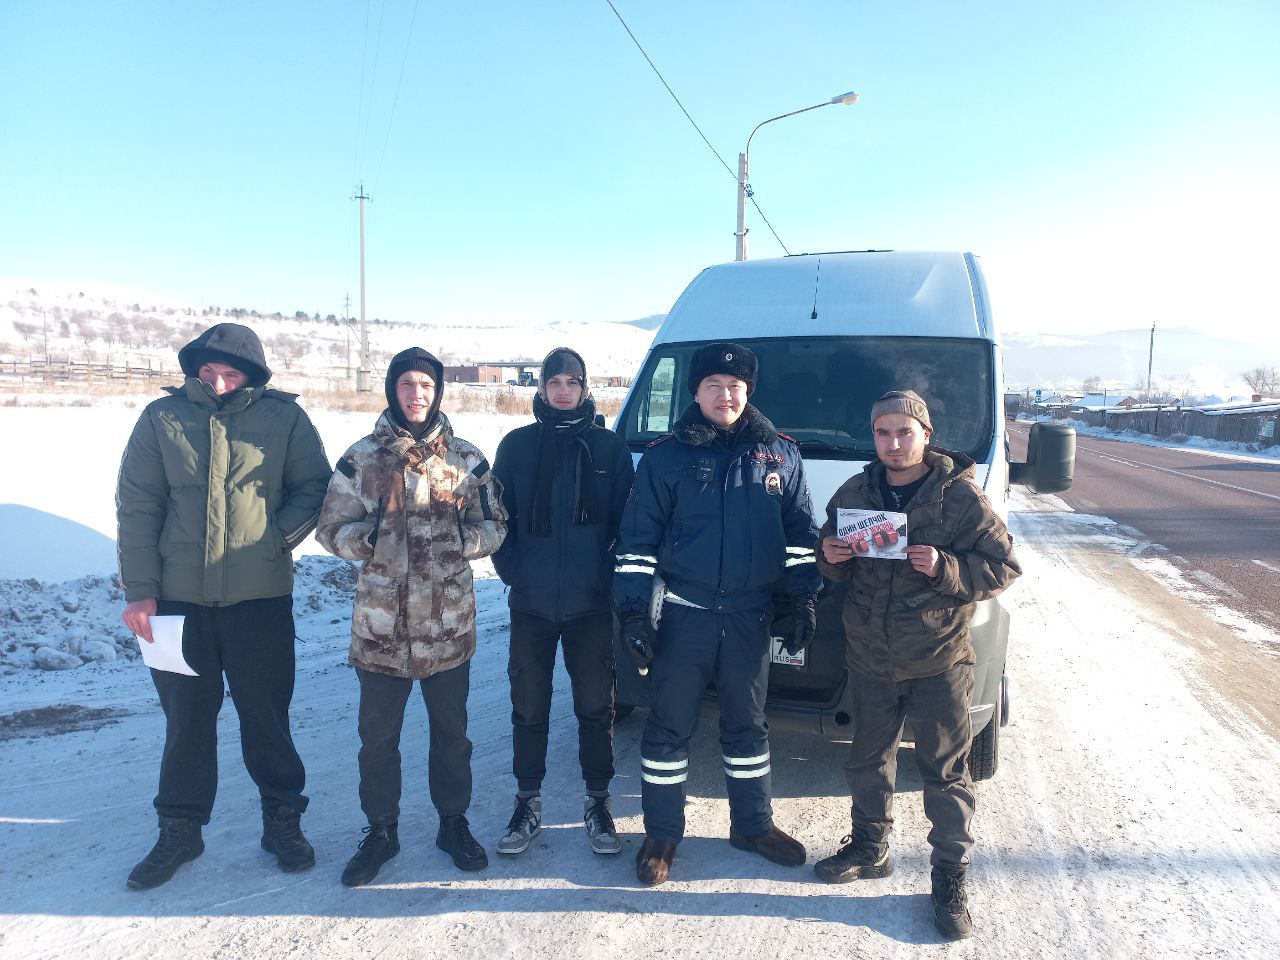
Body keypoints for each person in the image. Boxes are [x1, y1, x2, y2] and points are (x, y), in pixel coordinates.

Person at [116, 322, 332, 890]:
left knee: (267, 716)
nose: (216, 383)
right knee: (185, 720)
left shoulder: (284, 418)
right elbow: (137, 504)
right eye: (208, 371)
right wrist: (140, 590)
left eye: (230, 373)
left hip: (260, 600)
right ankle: (180, 830)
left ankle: (282, 822)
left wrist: (275, 539)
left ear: (252, 376)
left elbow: (316, 487)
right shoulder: (162, 418)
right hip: (176, 602)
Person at [812, 390, 1021, 940]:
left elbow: (1004, 567)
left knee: (945, 773)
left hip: (937, 660)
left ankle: (950, 875)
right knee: (867, 760)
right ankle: (870, 846)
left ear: (926, 435)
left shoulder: (960, 498)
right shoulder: (856, 491)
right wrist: (830, 556)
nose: (893, 443)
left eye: (905, 432)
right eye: (883, 432)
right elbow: (831, 553)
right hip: (870, 659)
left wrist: (947, 566)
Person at [612, 342, 821, 886]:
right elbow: (636, 545)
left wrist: (801, 599)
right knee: (667, 728)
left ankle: (753, 827)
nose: (724, 396)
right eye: (713, 386)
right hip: (686, 616)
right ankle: (662, 835)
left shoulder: (780, 454)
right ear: (696, 392)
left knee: (748, 726)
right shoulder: (665, 457)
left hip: (750, 617)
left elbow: (800, 537)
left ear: (748, 392)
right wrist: (633, 615)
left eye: (735, 387)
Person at [315, 347, 506, 885]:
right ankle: (381, 831)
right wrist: (367, 538)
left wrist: (463, 542)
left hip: (447, 626)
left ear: (438, 391)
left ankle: (453, 824)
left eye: (426, 384)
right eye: (407, 384)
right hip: (382, 629)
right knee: (378, 741)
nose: (417, 394)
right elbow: (330, 529)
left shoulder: (465, 460)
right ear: (392, 390)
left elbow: (496, 524)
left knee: (452, 736)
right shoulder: (362, 458)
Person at [490, 348, 635, 857]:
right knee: (528, 707)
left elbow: (627, 523)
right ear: (542, 388)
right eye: (555, 382)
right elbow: (498, 518)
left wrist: (606, 576)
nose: (563, 391)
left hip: (590, 605)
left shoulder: (609, 449)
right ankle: (527, 802)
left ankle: (598, 802)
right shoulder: (517, 446)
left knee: (596, 707)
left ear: (584, 387)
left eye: (572, 382)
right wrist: (513, 571)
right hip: (530, 604)